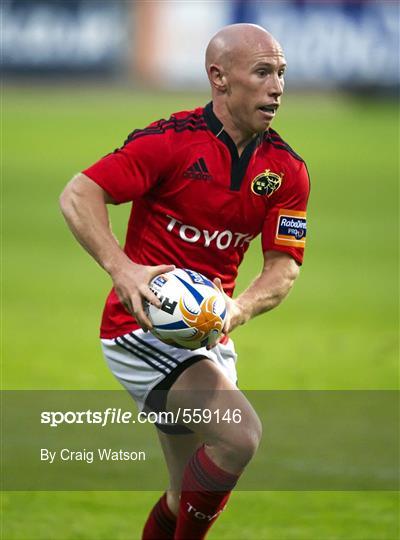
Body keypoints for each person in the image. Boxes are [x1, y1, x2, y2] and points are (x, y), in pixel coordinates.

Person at [60, 23, 310, 540]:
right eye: (262, 72)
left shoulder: (286, 170)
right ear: (219, 78)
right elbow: (79, 194)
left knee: (183, 495)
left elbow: (283, 266)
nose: (277, 86)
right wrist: (121, 268)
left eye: (281, 73)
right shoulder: (169, 143)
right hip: (143, 330)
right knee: (239, 438)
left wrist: (239, 309)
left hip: (204, 332)